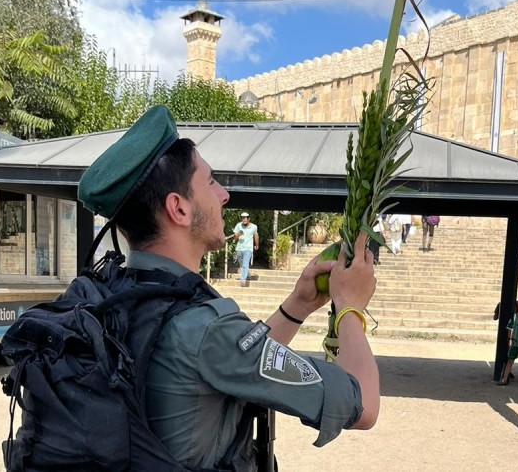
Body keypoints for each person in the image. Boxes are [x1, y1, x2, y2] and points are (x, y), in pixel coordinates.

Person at [77, 106, 379, 471]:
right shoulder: (202, 328)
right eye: (209, 182)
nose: (224, 195)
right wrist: (350, 306)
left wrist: (297, 306)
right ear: (179, 209)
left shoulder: (117, 293)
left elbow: (238, 360)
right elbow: (362, 405)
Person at [232, 212, 259, 286]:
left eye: (245, 218)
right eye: (242, 218)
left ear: (248, 219)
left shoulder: (254, 227)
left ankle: (243, 279)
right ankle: (247, 274)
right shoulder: (238, 225)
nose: (243, 220)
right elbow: (234, 238)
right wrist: (238, 235)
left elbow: (256, 235)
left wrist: (257, 244)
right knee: (241, 264)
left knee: (245, 264)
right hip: (239, 248)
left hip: (248, 248)